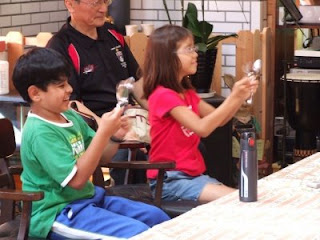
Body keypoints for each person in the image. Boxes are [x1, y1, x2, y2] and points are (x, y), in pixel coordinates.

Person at [12, 47, 169, 239]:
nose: (69, 89)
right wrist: (103, 132)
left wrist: (114, 136)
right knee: (137, 233)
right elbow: (77, 181)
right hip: (56, 214)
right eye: (61, 86)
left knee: (157, 217)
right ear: (35, 93)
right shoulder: (40, 131)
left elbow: (102, 156)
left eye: (67, 82)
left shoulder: (68, 114)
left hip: (88, 200)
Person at [142, 25, 259, 203]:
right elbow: (203, 128)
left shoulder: (186, 93)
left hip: (193, 178)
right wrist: (234, 95)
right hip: (169, 181)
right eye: (188, 49)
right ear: (168, 57)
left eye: (194, 48)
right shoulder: (163, 95)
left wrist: (240, 97)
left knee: (245, 198)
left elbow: (220, 119)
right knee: (239, 200)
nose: (195, 54)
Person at [46, 0, 147, 185]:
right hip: (91, 125)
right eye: (95, 3)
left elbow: (137, 83)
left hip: (127, 116)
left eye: (105, 1)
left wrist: (160, 117)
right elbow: (70, 104)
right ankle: (131, 201)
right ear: (70, 4)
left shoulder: (112, 33)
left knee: (187, 141)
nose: (103, 8)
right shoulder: (60, 45)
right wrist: (109, 128)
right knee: (130, 153)